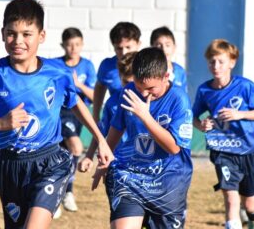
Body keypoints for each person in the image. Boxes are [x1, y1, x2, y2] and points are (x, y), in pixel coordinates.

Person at [0, 0, 112, 229]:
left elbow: (75, 101)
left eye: (27, 34)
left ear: (42, 36)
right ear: (2, 33)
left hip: (50, 161)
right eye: (11, 33)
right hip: (11, 166)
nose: (18, 41)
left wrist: (100, 140)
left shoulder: (56, 73)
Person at [92, 47, 194, 228]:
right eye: (140, 87)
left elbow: (174, 148)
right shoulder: (129, 91)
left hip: (168, 180)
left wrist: (146, 117)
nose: (144, 94)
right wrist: (104, 160)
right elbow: (117, 128)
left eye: (150, 89)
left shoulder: (179, 99)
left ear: (166, 76)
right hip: (130, 175)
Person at [192, 39, 254, 229]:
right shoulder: (204, 90)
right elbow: (193, 116)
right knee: (230, 197)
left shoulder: (245, 86)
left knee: (250, 203)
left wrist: (240, 114)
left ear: (232, 62)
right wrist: (201, 125)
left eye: (221, 61)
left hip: (249, 148)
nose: (216, 66)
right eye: (212, 62)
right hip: (223, 148)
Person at [53, 27, 97, 215]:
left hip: (80, 113)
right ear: (63, 45)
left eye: (77, 44)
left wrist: (78, 84)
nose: (73, 48)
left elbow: (95, 96)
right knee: (77, 147)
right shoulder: (55, 65)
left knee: (62, 155)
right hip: (61, 112)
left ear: (82, 45)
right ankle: (68, 193)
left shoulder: (87, 66)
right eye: (69, 44)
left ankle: (55, 195)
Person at [78, 51, 136, 173]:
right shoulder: (113, 103)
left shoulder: (154, 101)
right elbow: (101, 131)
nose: (129, 88)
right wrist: (89, 155)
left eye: (133, 83)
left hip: (146, 167)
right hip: (118, 164)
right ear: (119, 77)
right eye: (125, 82)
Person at [92, 22, 141, 123]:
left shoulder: (148, 64)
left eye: (128, 47)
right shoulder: (107, 66)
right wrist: (96, 116)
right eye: (119, 48)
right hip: (117, 119)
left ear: (138, 44)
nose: (124, 52)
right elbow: (100, 88)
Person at [150, 26, 187, 92]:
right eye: (159, 45)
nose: (163, 49)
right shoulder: (148, 70)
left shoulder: (180, 71)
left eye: (167, 45)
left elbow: (184, 93)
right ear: (152, 48)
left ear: (174, 47)